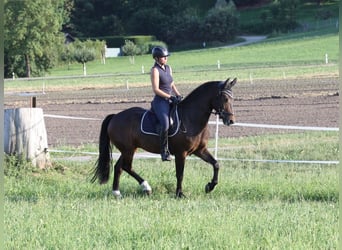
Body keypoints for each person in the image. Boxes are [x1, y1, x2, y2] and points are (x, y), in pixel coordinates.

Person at [150, 46, 182, 161]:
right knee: (166, 124)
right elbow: (156, 89)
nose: (166, 58)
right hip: (160, 101)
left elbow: (171, 83)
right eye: (164, 57)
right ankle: (164, 152)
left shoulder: (168, 68)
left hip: (170, 99)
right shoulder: (155, 70)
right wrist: (170, 97)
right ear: (157, 58)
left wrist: (177, 94)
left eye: (166, 57)